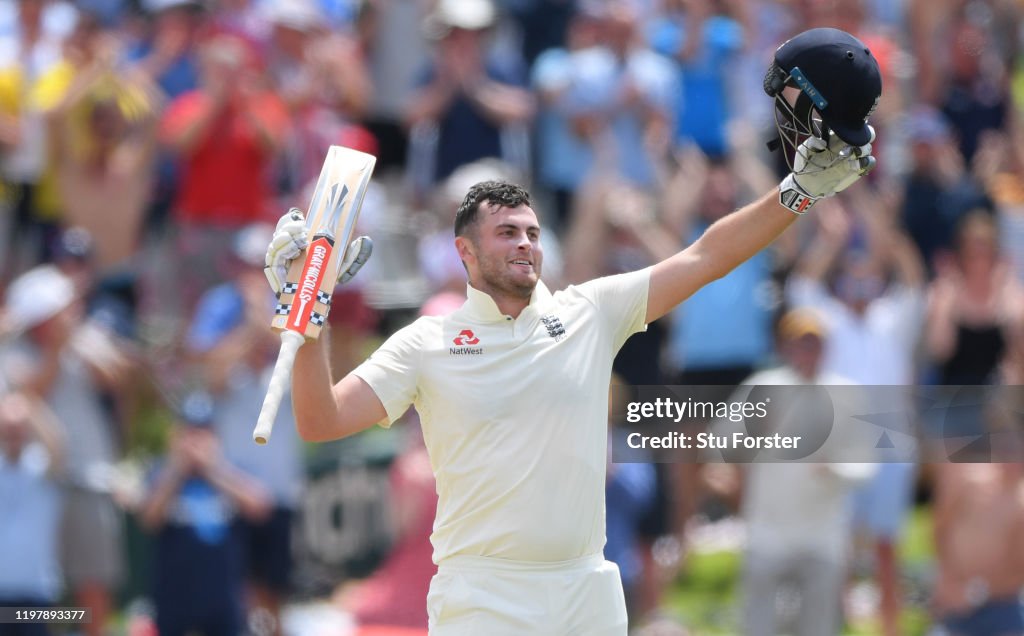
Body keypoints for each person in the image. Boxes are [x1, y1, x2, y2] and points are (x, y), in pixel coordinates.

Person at [264, 27, 881, 633]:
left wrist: (798, 194)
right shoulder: (426, 343)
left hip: (585, 590)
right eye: (507, 233)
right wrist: (307, 310)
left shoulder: (590, 312)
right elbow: (320, 421)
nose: (526, 245)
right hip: (482, 594)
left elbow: (705, 257)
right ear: (464, 253)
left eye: (532, 232)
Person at [139, 391, 271, 636]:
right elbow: (149, 519)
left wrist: (213, 469)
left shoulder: (229, 470)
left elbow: (260, 506)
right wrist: (179, 469)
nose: (196, 440)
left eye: (202, 431)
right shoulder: (162, 472)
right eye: (189, 431)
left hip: (223, 594)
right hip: (174, 594)